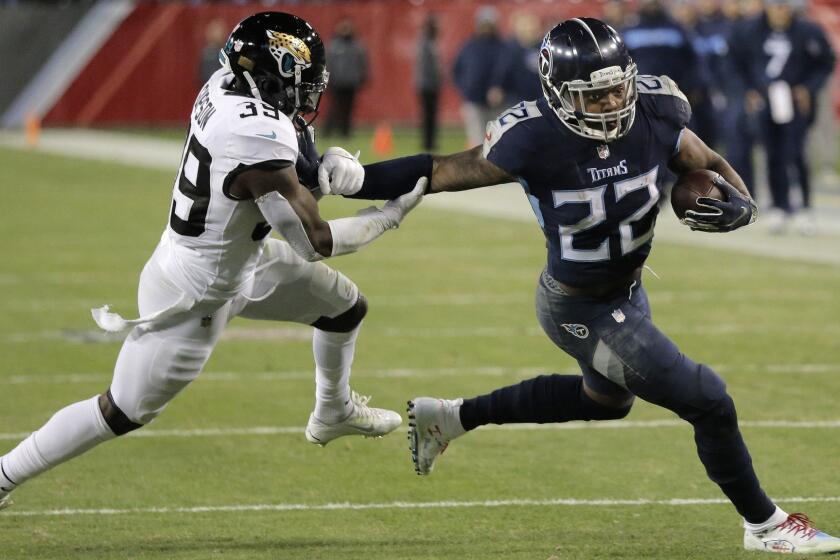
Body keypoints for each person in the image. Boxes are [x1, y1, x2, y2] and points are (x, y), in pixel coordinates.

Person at [322, 17, 840, 555]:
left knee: (605, 400)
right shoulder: (533, 138)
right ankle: (766, 525)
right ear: (558, 94)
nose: (615, 100)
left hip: (627, 291)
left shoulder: (659, 109)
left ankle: (448, 417)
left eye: (620, 85)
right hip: (578, 305)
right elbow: (440, 168)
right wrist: (359, 181)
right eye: (596, 94)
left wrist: (743, 204)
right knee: (708, 400)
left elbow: (706, 162)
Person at [0, 12, 426, 511]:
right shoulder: (253, 134)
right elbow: (314, 240)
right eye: (301, 84)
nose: (308, 96)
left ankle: (332, 410)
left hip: (240, 258)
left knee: (343, 308)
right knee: (121, 411)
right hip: (195, 291)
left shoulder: (228, 82)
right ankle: (4, 475)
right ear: (269, 78)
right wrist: (387, 216)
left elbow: (279, 172)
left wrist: (321, 169)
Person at [731, 0, 835, 235]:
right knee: (772, 153)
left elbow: (825, 62)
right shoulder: (749, 31)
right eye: (776, 6)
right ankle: (780, 205)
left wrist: (808, 88)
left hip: (794, 100)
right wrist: (747, 90)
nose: (780, 11)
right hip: (765, 99)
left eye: (784, 6)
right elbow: (735, 63)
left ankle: (805, 207)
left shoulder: (808, 30)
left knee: (796, 153)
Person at [452, 5, 508, 146]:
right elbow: (455, 70)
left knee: (497, 143)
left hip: (497, 104)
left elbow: (510, 72)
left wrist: (500, 89)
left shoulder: (504, 47)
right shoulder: (469, 46)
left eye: (489, 24)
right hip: (474, 102)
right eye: (484, 24)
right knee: (477, 144)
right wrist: (465, 90)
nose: (487, 27)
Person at [487, 11, 543, 109]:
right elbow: (502, 70)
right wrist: (497, 87)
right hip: (516, 99)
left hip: (541, 99)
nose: (530, 29)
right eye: (527, 26)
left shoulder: (544, 47)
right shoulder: (510, 48)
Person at [323, 18, 368, 138]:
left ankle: (345, 132)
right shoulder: (333, 45)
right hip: (336, 82)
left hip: (351, 82)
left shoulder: (357, 46)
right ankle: (327, 132)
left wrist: (363, 78)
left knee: (348, 109)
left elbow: (363, 63)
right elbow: (328, 64)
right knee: (333, 108)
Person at [415, 14, 442, 151]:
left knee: (431, 115)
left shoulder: (430, 42)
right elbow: (428, 66)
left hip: (431, 84)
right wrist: (438, 75)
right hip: (427, 84)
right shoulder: (426, 43)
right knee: (428, 115)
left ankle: (430, 142)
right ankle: (427, 142)